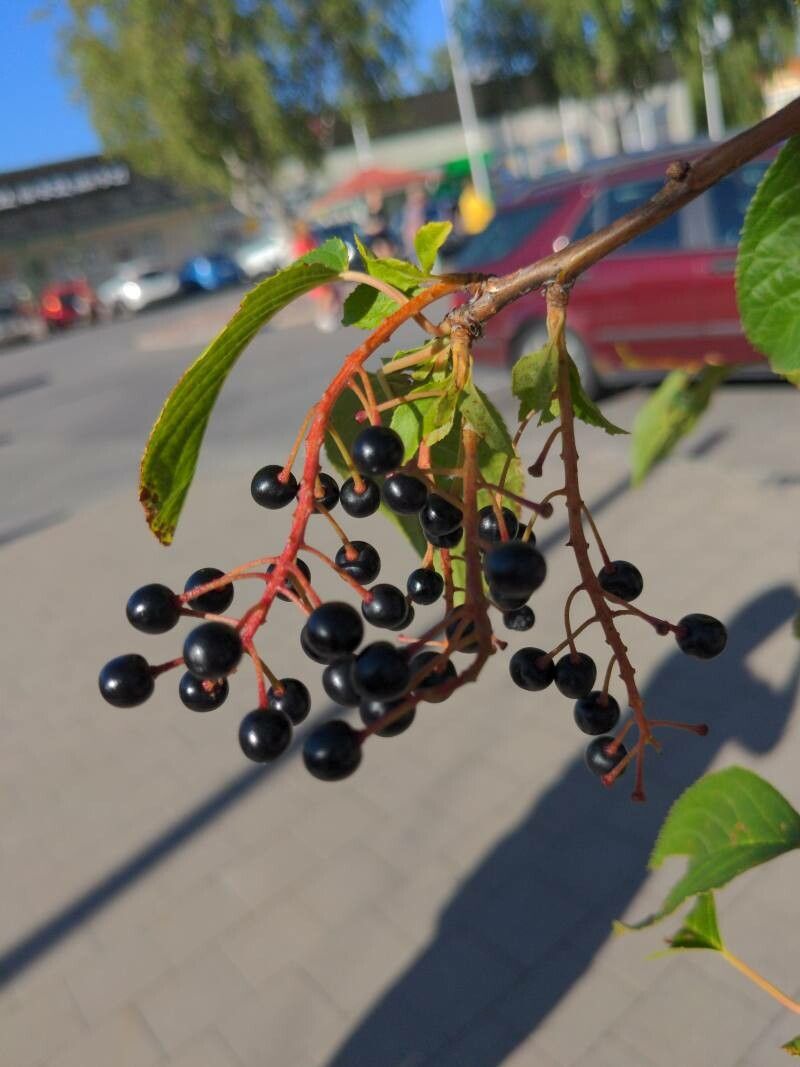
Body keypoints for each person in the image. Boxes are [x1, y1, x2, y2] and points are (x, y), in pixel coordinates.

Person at [291, 219, 339, 332]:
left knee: (325, 295)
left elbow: (319, 252)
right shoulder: (300, 243)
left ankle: (325, 317)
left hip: (320, 269)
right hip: (313, 272)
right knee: (326, 295)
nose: (307, 229)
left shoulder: (310, 239)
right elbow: (303, 258)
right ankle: (326, 317)